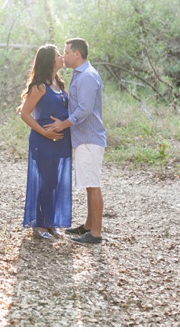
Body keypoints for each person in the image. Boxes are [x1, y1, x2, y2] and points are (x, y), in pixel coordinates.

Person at [45, 38, 106, 244]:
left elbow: (85, 109)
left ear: (77, 55)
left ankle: (96, 234)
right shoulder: (80, 75)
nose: (64, 56)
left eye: (67, 52)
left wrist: (62, 125)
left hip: (89, 138)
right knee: (89, 184)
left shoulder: (87, 76)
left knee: (93, 184)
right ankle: (88, 226)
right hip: (84, 139)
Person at [18, 45, 72, 240]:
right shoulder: (39, 86)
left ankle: (50, 222)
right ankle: (39, 225)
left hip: (60, 141)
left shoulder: (58, 83)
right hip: (43, 140)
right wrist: (43, 132)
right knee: (46, 181)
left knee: (54, 181)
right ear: (50, 61)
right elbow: (24, 114)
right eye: (59, 55)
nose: (62, 57)